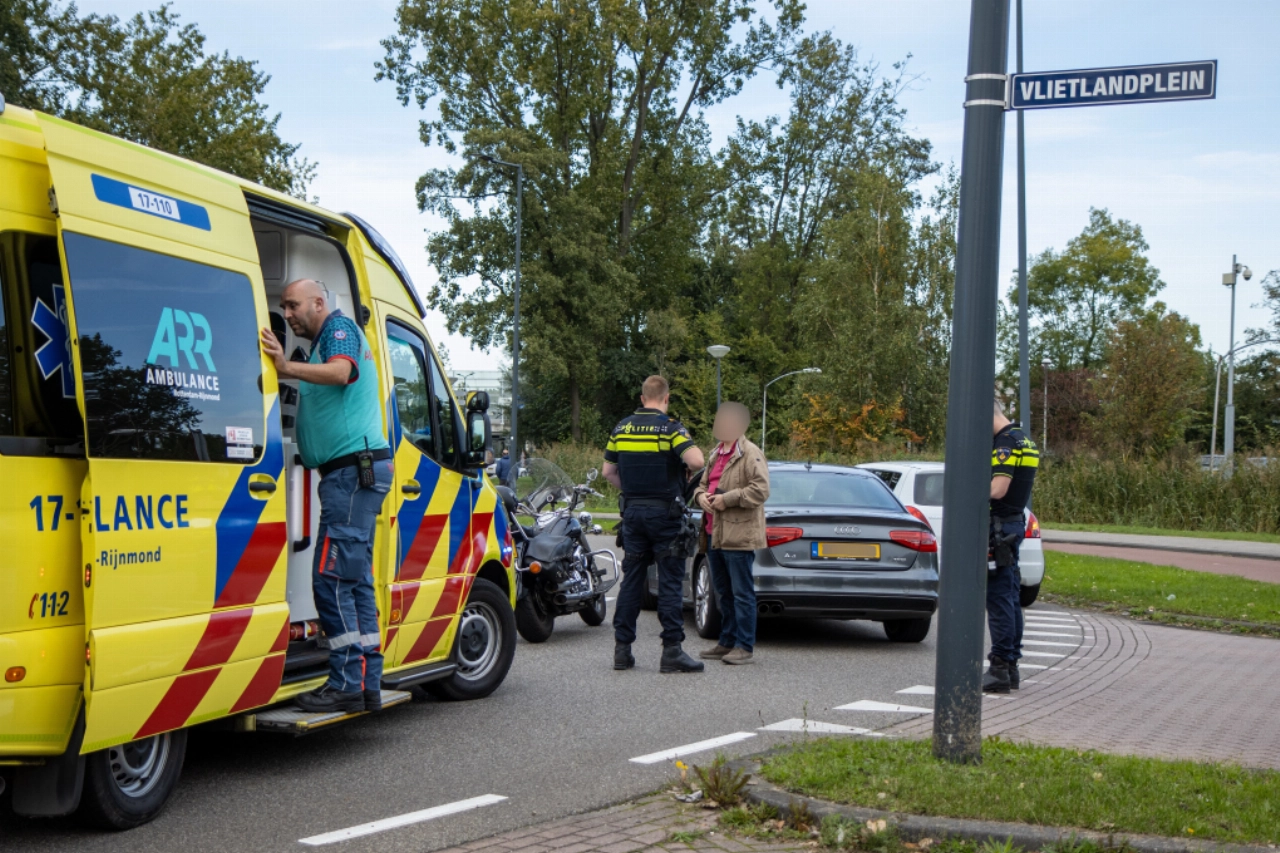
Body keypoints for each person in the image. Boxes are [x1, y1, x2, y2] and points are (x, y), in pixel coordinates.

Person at [259, 279, 393, 713]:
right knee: (353, 582)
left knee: (331, 578)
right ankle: (366, 681)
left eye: (293, 305)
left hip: (351, 474)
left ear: (319, 302)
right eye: (284, 306)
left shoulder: (339, 330)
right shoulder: (321, 342)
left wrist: (285, 368)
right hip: (352, 475)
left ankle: (346, 685)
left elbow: (340, 372)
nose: (289, 313)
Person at [603, 376, 706, 673]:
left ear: (641, 397)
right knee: (671, 580)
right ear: (666, 398)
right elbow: (697, 461)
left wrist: (633, 491)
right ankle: (671, 651)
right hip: (664, 515)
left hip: (633, 514)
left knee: (632, 579)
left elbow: (608, 471)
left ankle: (622, 650)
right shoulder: (670, 428)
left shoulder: (621, 428)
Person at [693, 402, 769, 665]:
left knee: (741, 593)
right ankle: (726, 641)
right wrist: (701, 497)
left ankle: (744, 646)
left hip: (739, 535)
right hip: (714, 532)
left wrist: (729, 499)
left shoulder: (750, 453)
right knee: (722, 592)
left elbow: (761, 490)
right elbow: (701, 485)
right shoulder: (715, 453)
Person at [983, 398, 1040, 694]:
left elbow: (998, 488)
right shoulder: (1023, 439)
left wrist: (969, 492)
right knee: (1011, 592)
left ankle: (1000, 666)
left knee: (998, 595)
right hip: (1013, 522)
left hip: (1000, 525)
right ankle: (1011, 665)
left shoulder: (1004, 442)